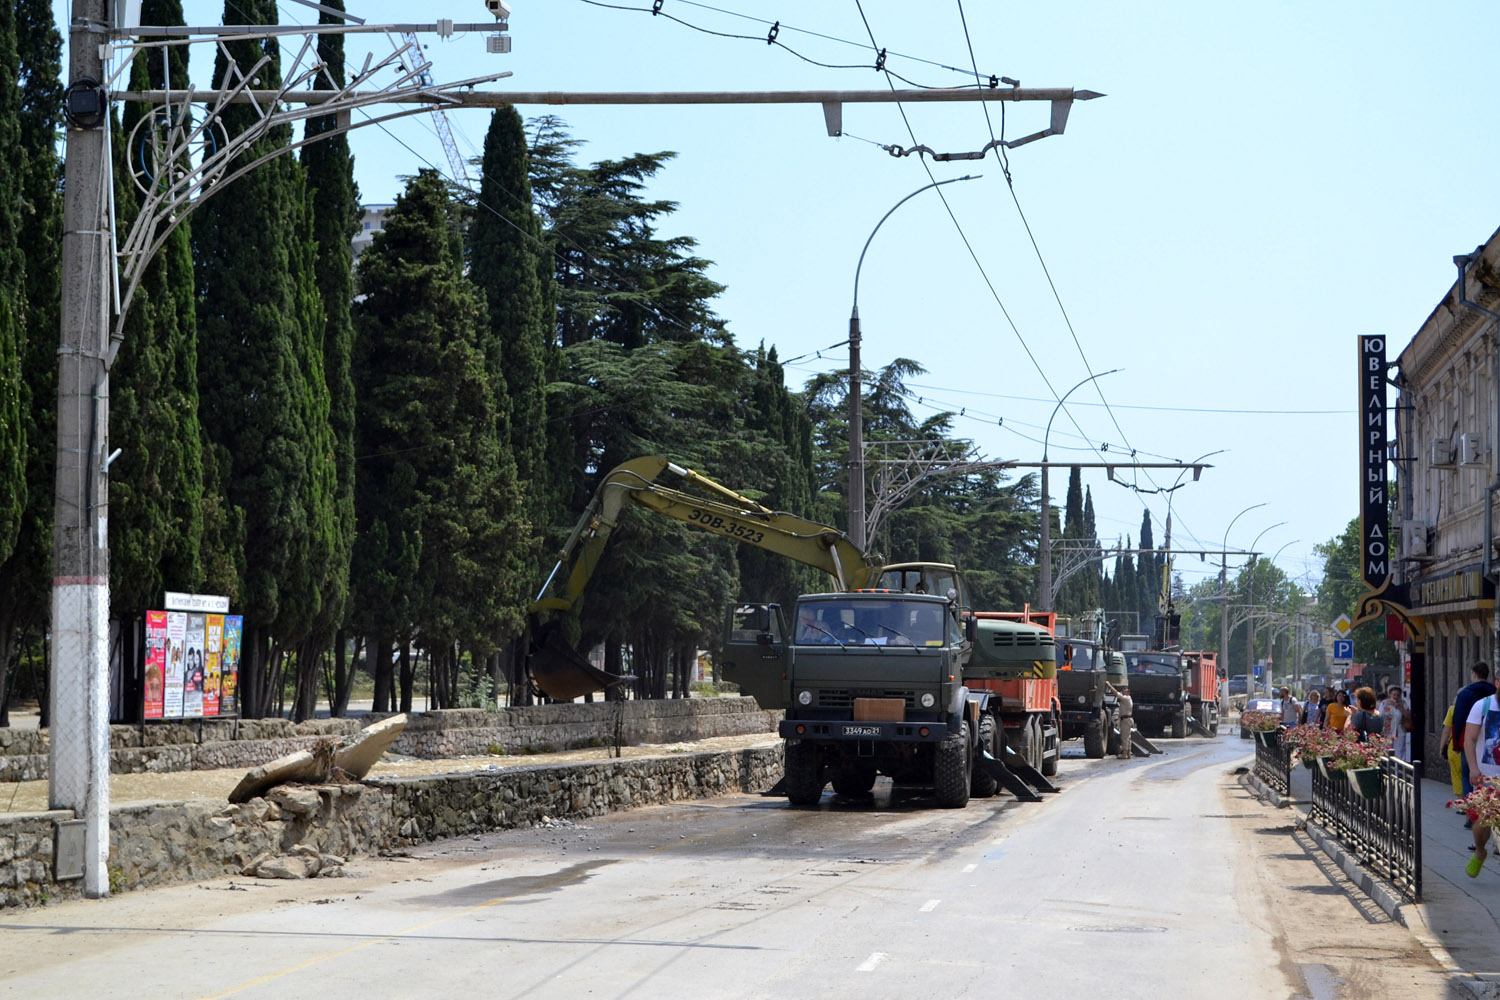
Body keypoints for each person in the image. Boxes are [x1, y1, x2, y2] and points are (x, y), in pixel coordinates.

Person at [1463, 688, 1500, 876]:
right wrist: (1473, 767)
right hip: (1487, 776)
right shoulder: (1483, 705)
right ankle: (1480, 850)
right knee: (1482, 824)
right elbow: (1469, 739)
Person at [1453, 663, 1496, 808]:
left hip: (1469, 740)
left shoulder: (1465, 693)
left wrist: (1456, 743)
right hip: (1482, 748)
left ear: (1474, 673)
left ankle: (1469, 809)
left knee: (1467, 774)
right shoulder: (1492, 691)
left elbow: (1457, 719)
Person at [1380, 686, 1411, 762]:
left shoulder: (1403, 703)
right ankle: (1388, 770)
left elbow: (1408, 715)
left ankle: (1398, 771)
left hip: (1400, 731)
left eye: (1398, 695)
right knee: (1387, 751)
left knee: (1399, 752)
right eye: (1394, 694)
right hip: (1387, 731)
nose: (1396, 697)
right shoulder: (1384, 703)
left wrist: (1398, 707)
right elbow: (1380, 716)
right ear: (1390, 694)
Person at [1440, 698, 1464, 797]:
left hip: (1455, 747)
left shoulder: (1453, 710)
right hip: (1473, 746)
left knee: (1457, 774)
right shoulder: (1476, 708)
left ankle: (1462, 802)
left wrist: (1441, 748)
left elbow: (1446, 731)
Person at [1115, 684, 1134, 760]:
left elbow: (1116, 693)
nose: (1123, 691)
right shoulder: (1128, 699)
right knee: (1128, 737)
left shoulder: (1126, 698)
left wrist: (1109, 686)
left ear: (1128, 692)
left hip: (1126, 720)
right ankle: (1128, 753)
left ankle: (1124, 754)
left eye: (1125, 690)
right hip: (1128, 719)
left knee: (1124, 737)